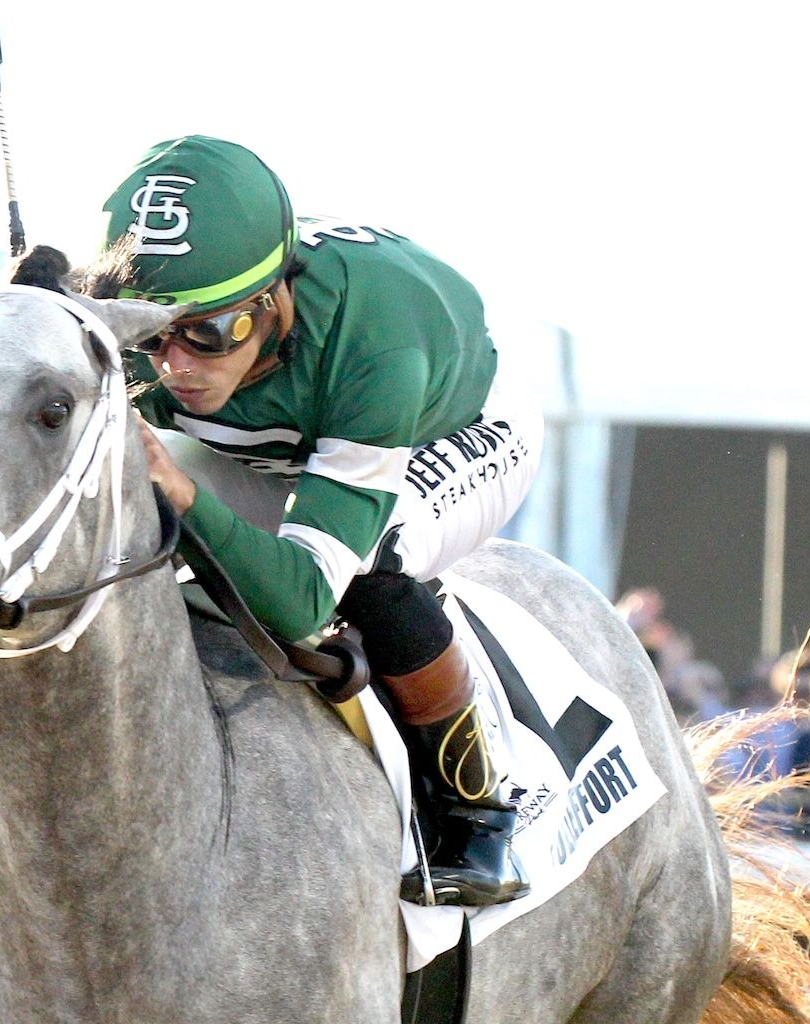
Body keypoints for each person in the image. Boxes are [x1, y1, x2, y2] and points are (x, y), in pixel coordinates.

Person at [94, 135, 544, 907]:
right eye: (149, 332)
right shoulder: (145, 332)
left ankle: (476, 808)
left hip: (451, 429)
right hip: (280, 450)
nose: (174, 365)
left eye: (208, 332)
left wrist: (190, 500)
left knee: (374, 563)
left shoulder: (377, 346)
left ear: (275, 299)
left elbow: (303, 600)